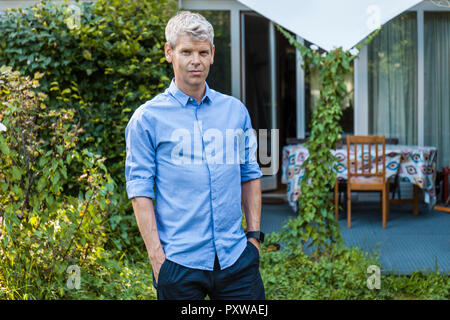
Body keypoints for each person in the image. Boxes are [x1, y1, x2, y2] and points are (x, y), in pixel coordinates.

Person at [125, 11, 265, 300]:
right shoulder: (147, 119)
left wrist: (254, 239)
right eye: (186, 51)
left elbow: (250, 175)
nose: (195, 60)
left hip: (237, 260)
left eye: (202, 52)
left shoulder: (235, 111)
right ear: (169, 52)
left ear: (212, 54)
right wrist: (158, 261)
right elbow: (139, 192)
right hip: (179, 265)